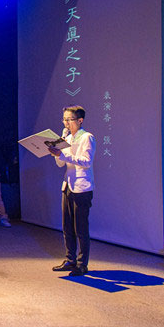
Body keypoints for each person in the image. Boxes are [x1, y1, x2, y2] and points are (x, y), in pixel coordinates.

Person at [48, 105, 95, 277]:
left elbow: (86, 161)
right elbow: (61, 163)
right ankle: (70, 259)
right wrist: (57, 151)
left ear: (80, 120)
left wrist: (62, 154)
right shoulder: (66, 138)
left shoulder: (87, 138)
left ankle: (82, 264)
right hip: (67, 185)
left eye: (69, 119)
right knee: (67, 225)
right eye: (64, 120)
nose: (66, 123)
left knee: (80, 228)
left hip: (82, 187)